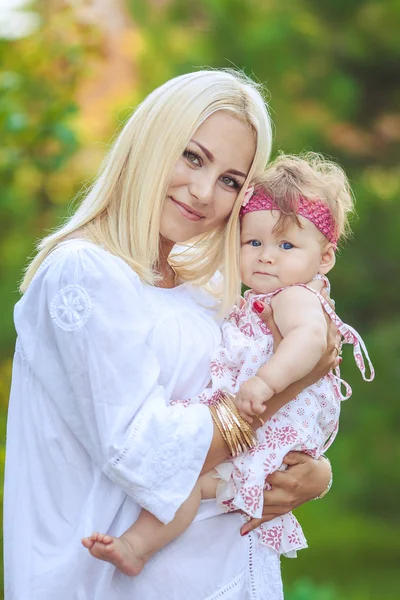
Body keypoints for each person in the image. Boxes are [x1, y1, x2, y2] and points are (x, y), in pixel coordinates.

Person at [4, 71, 338, 600]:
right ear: (152, 142)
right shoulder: (86, 274)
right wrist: (293, 384)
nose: (205, 192)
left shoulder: (208, 288)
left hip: (234, 572)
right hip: (114, 582)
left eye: (231, 180)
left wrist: (311, 473)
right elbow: (146, 452)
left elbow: (256, 416)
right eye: (192, 156)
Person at [81, 153, 374, 592]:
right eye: (253, 243)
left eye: (286, 246)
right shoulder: (256, 297)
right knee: (196, 485)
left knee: (194, 483)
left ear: (326, 258)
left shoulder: (296, 297)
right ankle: (135, 547)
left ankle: (136, 547)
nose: (266, 258)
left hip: (269, 421)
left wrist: (266, 382)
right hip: (256, 422)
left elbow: (312, 343)